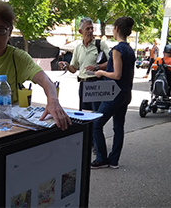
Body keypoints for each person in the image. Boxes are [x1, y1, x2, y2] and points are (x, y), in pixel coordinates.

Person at [0, 0, 71, 130]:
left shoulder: (18, 57)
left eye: (1, 31)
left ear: (10, 31)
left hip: (8, 123)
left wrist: (53, 102)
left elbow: (45, 80)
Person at [90, 16, 136, 169]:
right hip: (126, 93)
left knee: (97, 124)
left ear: (116, 29)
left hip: (114, 93)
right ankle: (114, 160)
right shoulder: (130, 49)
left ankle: (101, 158)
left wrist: (101, 72)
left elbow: (117, 74)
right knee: (118, 127)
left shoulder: (117, 50)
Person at [58, 17, 110, 112]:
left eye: (92, 28)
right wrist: (66, 65)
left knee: (96, 116)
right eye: (87, 29)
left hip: (97, 84)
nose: (90, 31)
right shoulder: (78, 48)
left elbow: (112, 62)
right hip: (83, 85)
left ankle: (96, 127)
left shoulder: (100, 44)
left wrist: (97, 67)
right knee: (84, 115)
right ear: (80, 31)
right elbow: (73, 69)